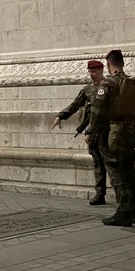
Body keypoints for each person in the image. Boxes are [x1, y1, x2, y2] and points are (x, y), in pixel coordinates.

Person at [86, 50, 135, 227]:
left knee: (116, 172)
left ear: (109, 64)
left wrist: (91, 131)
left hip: (113, 133)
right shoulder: (132, 84)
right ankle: (134, 212)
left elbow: (97, 110)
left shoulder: (108, 84)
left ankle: (123, 212)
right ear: (122, 63)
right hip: (130, 131)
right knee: (129, 171)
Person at [52, 60, 107, 206]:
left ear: (101, 70)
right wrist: (61, 116)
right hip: (93, 132)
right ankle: (100, 194)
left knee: (112, 165)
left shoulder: (109, 86)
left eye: (94, 71)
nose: (91, 75)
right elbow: (76, 104)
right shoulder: (88, 89)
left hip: (107, 131)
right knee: (98, 164)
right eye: (89, 72)